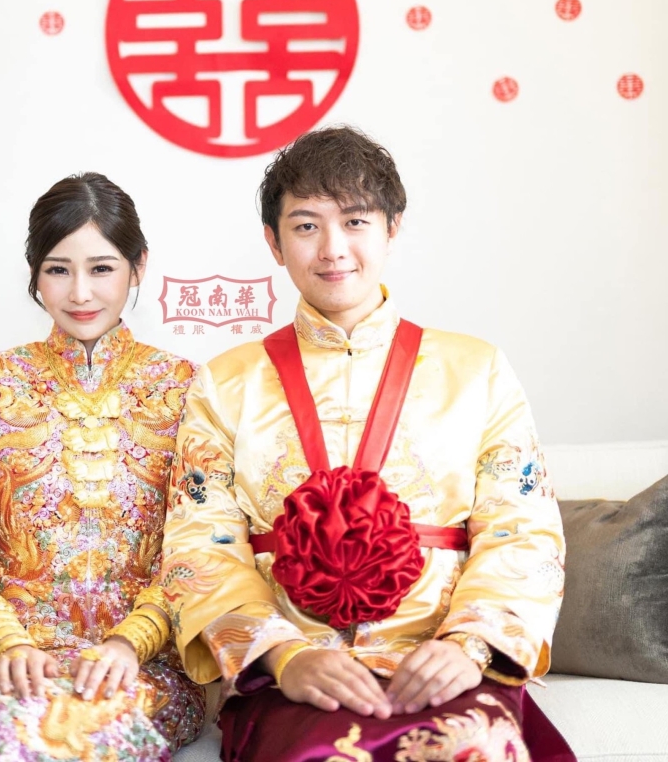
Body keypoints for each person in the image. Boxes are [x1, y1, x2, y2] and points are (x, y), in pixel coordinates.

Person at [161, 127, 574, 761]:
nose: (333, 249)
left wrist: (467, 646)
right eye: (306, 226)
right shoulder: (225, 382)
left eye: (355, 221)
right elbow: (198, 543)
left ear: (391, 229)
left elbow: (523, 529)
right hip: (296, 676)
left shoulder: (477, 369)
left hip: (443, 662)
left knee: (473, 746)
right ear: (273, 241)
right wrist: (283, 656)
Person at [0, 173, 205, 762]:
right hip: (16, 663)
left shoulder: (186, 387)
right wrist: (6, 642)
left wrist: (130, 644)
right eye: (58, 269)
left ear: (138, 266)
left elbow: (197, 546)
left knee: (79, 727)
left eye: (101, 268)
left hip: (141, 667)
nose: (80, 292)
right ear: (34, 273)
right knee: (14, 722)